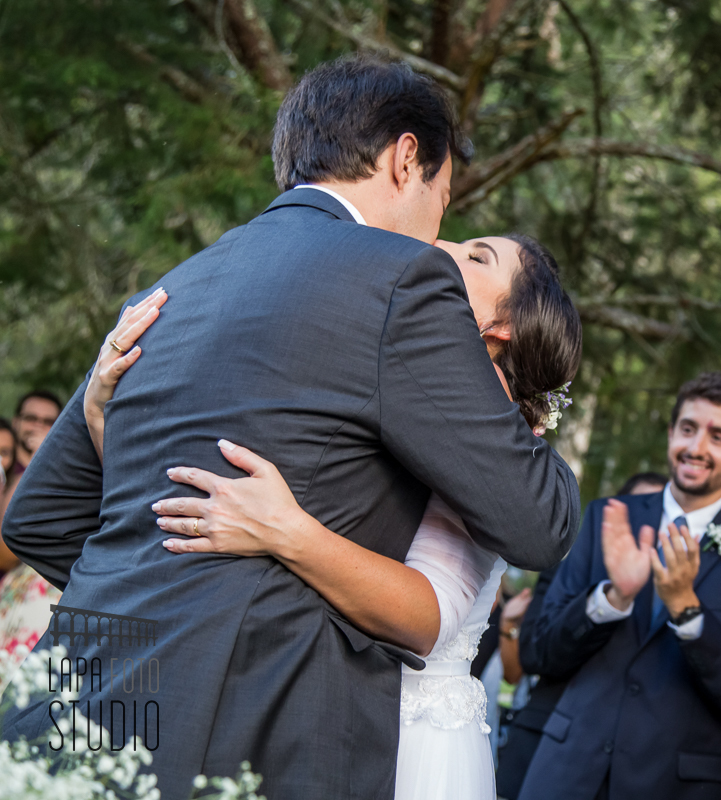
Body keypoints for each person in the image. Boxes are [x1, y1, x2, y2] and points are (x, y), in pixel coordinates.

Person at [1, 55, 580, 800]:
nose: (440, 231)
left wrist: (104, 445)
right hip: (254, 727)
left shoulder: (170, 287)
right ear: (406, 160)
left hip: (78, 705)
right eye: (444, 195)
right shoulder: (401, 279)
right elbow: (539, 524)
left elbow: (41, 519)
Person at [518, 373, 721, 800]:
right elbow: (539, 650)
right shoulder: (607, 518)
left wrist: (688, 610)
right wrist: (613, 599)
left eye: (718, 436)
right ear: (671, 434)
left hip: (673, 785)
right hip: (566, 772)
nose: (696, 447)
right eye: (687, 429)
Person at [496, 471, 669, 800]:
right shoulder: (567, 571)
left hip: (633, 770)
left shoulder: (674, 595)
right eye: (641, 509)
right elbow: (532, 653)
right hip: (543, 745)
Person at [0, 391, 61, 571]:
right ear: (16, 422)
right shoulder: (4, 469)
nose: (38, 426)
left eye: (48, 422)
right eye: (31, 418)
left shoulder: (65, 474)